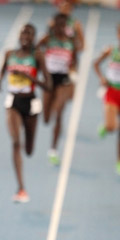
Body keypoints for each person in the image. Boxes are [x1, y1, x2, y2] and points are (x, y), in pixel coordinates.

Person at [0, 23, 51, 202]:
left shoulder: (38, 56)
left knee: (29, 149)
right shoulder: (9, 54)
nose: (25, 37)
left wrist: (31, 78)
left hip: (31, 103)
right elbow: (3, 70)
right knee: (16, 142)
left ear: (33, 38)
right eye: (23, 33)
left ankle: (28, 143)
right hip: (13, 102)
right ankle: (21, 188)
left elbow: (49, 85)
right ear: (19, 36)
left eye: (29, 34)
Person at [37, 13, 78, 166]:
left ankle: (53, 150)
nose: (60, 28)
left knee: (59, 113)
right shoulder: (48, 39)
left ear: (66, 26)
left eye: (63, 25)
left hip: (63, 81)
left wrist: (73, 74)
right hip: (49, 80)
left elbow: (75, 61)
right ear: (54, 25)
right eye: (57, 25)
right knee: (46, 118)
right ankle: (50, 109)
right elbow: (35, 51)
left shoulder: (70, 42)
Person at [93, 21, 120, 176]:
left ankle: (119, 161)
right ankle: (106, 126)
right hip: (112, 92)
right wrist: (102, 78)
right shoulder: (111, 50)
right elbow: (95, 64)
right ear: (117, 34)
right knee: (112, 127)